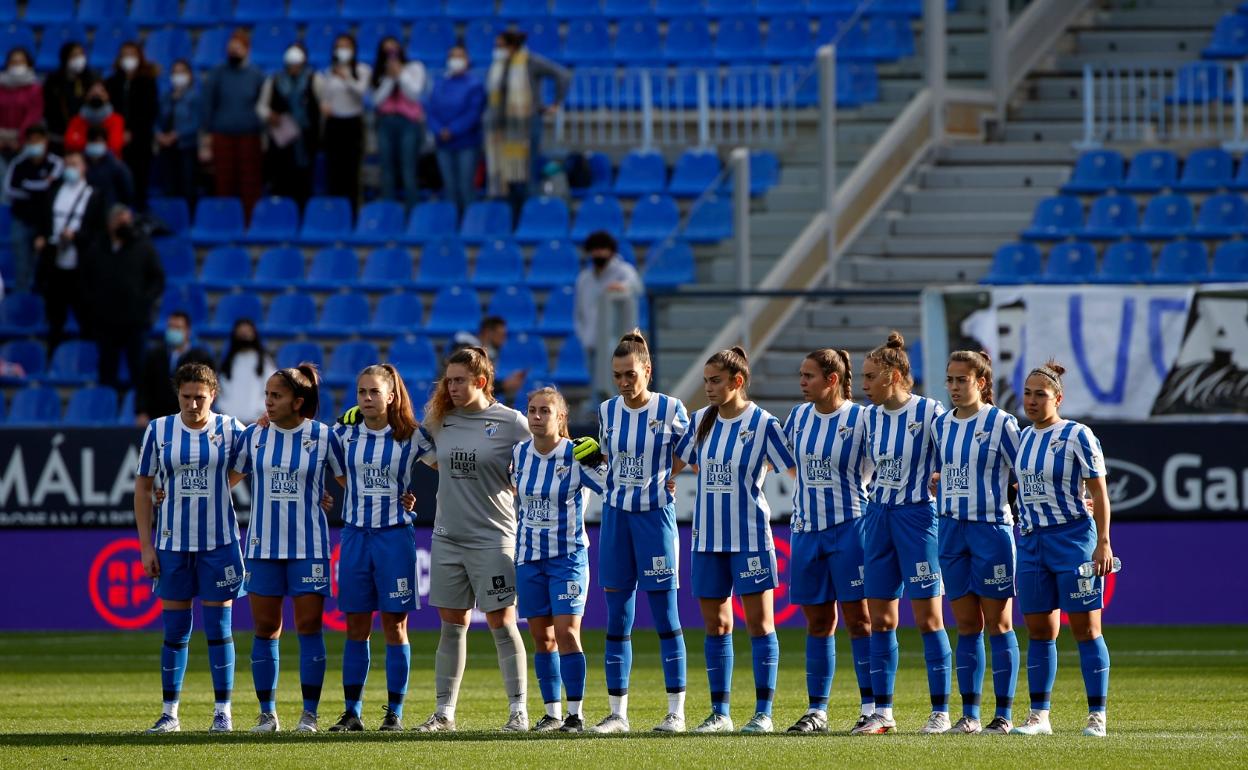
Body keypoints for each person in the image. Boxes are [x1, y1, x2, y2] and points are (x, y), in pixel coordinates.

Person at [674, 346, 796, 734]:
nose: (708, 388)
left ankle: (763, 713)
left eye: (715, 381)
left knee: (760, 626)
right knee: (717, 626)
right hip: (707, 538)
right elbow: (679, 462)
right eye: (705, 381)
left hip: (750, 538)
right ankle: (720, 713)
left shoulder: (763, 423)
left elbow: (795, 472)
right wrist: (665, 479)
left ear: (737, 381)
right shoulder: (699, 422)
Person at [411, 347, 532, 733]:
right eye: (448, 380)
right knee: (451, 625)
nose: (452, 387)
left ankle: (518, 710)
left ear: (481, 381)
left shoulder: (512, 422)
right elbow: (409, 440)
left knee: (502, 621)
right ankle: (444, 713)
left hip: (494, 539)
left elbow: (545, 458)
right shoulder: (439, 419)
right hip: (447, 538)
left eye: (460, 380)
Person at [581, 330, 689, 733]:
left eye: (631, 374)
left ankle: (675, 712)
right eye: (618, 375)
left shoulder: (672, 408)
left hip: (655, 519)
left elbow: (690, 453)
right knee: (617, 617)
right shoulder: (608, 411)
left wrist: (667, 477)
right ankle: (617, 713)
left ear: (647, 369)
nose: (624, 382)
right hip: (615, 520)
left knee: (666, 616)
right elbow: (607, 460)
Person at [134, 363, 248, 733]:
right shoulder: (159, 430)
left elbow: (250, 465)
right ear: (177, 395)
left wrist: (220, 487)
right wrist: (146, 546)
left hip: (219, 544)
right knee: (176, 630)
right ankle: (170, 713)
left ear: (213, 395)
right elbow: (143, 488)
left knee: (219, 628)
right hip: (172, 545)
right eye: (186, 397)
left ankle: (223, 712)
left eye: (200, 397)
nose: (193, 404)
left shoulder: (231, 429)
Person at [232, 364, 343, 733]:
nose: (268, 402)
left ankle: (309, 715)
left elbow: (351, 482)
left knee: (309, 626)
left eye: (276, 396)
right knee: (266, 627)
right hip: (263, 546)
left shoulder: (324, 437)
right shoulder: (254, 436)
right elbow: (225, 481)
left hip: (308, 546)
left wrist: (400, 499)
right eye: (266, 395)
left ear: (298, 401)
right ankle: (267, 714)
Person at [852, 331, 952, 736]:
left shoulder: (930, 412)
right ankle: (883, 712)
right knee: (881, 620)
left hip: (918, 519)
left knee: (929, 619)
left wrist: (941, 474)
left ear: (893, 375)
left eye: (871, 377)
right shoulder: (868, 416)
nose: (864, 385)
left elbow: (959, 452)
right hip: (878, 517)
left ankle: (941, 711)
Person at [1010, 360, 1114, 738]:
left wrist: (1102, 542)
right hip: (1033, 541)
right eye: (1027, 393)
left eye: (1041, 394)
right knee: (1039, 630)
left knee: (1086, 629)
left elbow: (1100, 494)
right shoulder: (1021, 438)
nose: (1033, 401)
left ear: (1058, 398)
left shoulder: (1077, 435)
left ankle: (1096, 716)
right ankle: (1040, 716)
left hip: (1073, 540)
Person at [781, 349, 877, 734]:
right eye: (801, 375)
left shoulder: (861, 418)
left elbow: (881, 464)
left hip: (851, 529)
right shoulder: (799, 417)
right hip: (806, 532)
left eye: (809, 376)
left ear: (832, 379)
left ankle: (871, 707)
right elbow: (788, 463)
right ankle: (817, 710)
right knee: (818, 622)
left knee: (859, 620)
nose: (802, 382)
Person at [328, 364, 425, 732]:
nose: (366, 398)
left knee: (395, 626)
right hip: (354, 537)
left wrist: (409, 499)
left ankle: (394, 713)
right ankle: (352, 712)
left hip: (394, 538)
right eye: (361, 392)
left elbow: (444, 462)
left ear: (391, 396)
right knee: (355, 626)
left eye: (373, 392)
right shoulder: (343, 432)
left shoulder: (412, 436)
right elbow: (311, 452)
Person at [930, 350, 1022, 735]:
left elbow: (1025, 470)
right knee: (967, 625)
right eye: (950, 380)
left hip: (991, 531)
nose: (953, 387)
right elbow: (945, 470)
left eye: (961, 380)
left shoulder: (1002, 424)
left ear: (981, 383)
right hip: (951, 530)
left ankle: (1002, 715)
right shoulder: (941, 426)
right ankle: (968, 715)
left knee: (999, 624)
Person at [512, 386, 606, 732]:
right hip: (528, 557)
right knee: (542, 638)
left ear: (561, 417)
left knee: (567, 633)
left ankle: (575, 714)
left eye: (545, 411)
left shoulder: (575, 455)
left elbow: (611, 488)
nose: (536, 417)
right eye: (532, 410)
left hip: (567, 557)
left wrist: (600, 461)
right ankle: (552, 714)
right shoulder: (519, 454)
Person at [484, 30, 569, 217]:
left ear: (512, 46)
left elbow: (562, 75)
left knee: (526, 174)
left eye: (500, 46)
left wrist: (555, 103)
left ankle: (530, 217)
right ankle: (511, 218)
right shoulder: (498, 66)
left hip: (526, 124)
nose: (497, 50)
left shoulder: (531, 61)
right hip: (502, 128)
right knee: (507, 176)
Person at [81, 203, 164, 393]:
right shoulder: (97, 248)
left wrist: (144, 301)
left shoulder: (143, 247)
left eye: (128, 221)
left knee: (138, 369)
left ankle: (139, 410)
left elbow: (157, 279)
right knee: (107, 369)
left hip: (136, 321)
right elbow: (85, 281)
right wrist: (94, 304)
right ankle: (107, 409)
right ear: (110, 224)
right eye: (120, 221)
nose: (125, 225)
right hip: (106, 321)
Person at [201, 30, 265, 219]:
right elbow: (207, 106)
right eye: (231, 48)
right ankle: (224, 219)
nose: (234, 51)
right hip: (222, 135)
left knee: (250, 183)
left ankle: (249, 220)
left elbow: (262, 105)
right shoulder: (216, 74)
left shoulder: (256, 75)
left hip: (249, 136)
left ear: (247, 50)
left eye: (239, 48)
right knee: (223, 181)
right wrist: (206, 138)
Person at [35, 149, 88, 355]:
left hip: (80, 266)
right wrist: (41, 237)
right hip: (55, 262)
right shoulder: (54, 191)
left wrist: (76, 236)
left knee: (84, 315)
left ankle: (84, 358)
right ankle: (52, 355)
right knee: (55, 315)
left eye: (75, 163)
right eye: (68, 164)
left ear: (84, 167)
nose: (70, 168)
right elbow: (44, 220)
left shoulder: (92, 194)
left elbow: (95, 231)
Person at [257, 45, 321, 207]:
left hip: (305, 141)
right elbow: (261, 107)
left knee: (303, 181)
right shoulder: (274, 80)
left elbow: (322, 105)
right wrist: (269, 115)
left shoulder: (315, 79)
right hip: (281, 141)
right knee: (280, 181)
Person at [427, 44, 484, 218]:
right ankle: (451, 223)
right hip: (443, 143)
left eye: (460, 56)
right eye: (452, 56)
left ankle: (470, 223)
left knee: (465, 185)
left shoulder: (475, 85)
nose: (455, 60)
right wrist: (439, 129)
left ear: (467, 60)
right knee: (449, 186)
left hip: (466, 142)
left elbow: (473, 113)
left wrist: (452, 129)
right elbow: (430, 109)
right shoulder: (439, 83)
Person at [4, 124, 61, 294]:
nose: (34, 143)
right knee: (21, 264)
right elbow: (10, 190)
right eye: (31, 140)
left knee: (44, 265)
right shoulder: (18, 163)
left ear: (46, 141)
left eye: (38, 140)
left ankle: (42, 306)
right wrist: (40, 188)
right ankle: (21, 301)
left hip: (46, 223)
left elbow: (53, 189)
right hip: (21, 219)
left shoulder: (55, 162)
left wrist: (28, 185)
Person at [370, 36, 426, 209]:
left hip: (408, 122)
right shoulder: (379, 72)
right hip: (385, 122)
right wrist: (389, 78)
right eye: (387, 52)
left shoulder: (414, 68)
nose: (391, 55)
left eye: (394, 50)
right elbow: (377, 101)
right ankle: (389, 211)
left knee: (408, 169)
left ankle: (412, 212)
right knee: (387, 170)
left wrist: (400, 74)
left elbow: (414, 95)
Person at [136, 310, 215, 425]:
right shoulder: (154, 356)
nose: (173, 331)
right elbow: (143, 385)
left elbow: (207, 388)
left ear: (188, 331)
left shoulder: (200, 358)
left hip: (189, 418)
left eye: (178, 328)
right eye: (170, 327)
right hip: (157, 418)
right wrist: (141, 411)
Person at [574, 231, 643, 364]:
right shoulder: (584, 279)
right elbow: (579, 313)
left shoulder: (623, 271)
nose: (599, 253)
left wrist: (622, 286)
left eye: (602, 249)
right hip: (592, 344)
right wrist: (584, 338)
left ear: (611, 251)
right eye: (595, 250)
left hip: (618, 345)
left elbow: (636, 285)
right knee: (597, 383)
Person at [105, 41, 159, 210]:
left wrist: (133, 132)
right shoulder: (111, 82)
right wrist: (119, 132)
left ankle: (140, 215)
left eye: (132, 54)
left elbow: (149, 112)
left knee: (139, 181)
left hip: (141, 140)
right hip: (116, 140)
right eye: (125, 55)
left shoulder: (147, 82)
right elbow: (110, 111)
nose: (129, 59)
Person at [319, 34, 370, 212]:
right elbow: (325, 96)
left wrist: (346, 77)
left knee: (351, 173)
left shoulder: (362, 70)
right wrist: (325, 105)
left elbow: (361, 92)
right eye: (339, 46)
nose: (343, 50)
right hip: (334, 125)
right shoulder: (328, 72)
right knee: (334, 171)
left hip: (353, 124)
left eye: (346, 46)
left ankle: (353, 212)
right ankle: (334, 213)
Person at [156, 60, 201, 203]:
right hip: (166, 147)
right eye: (175, 72)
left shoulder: (195, 97)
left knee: (187, 187)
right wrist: (158, 134)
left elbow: (196, 122)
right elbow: (156, 119)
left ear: (190, 75)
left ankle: (187, 219)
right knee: (169, 187)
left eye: (182, 72)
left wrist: (177, 134)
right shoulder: (165, 97)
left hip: (186, 147)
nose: (178, 75)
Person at [42, 42, 99, 154]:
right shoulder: (54, 81)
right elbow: (49, 109)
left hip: (86, 133)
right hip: (60, 134)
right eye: (74, 55)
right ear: (66, 58)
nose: (78, 59)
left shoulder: (92, 79)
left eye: (81, 54)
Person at [451, 316, 525, 399]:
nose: (503, 341)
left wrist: (505, 384)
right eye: (500, 335)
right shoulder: (465, 347)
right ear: (487, 332)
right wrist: (503, 385)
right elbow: (469, 382)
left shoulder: (490, 353)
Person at [216, 319, 274, 423]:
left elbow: (271, 389)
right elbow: (221, 394)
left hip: (258, 421)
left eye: (247, 332)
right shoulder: (228, 363)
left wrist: (259, 413)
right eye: (241, 333)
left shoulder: (264, 362)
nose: (244, 336)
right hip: (231, 422)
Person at [0, 47, 42, 164]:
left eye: (21, 62)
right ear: (7, 64)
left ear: (28, 64)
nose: (17, 65)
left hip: (23, 142)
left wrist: (20, 140)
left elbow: (33, 116)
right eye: (14, 62)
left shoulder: (35, 89)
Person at [64, 81, 125, 156]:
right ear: (86, 95)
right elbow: (69, 142)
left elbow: (115, 146)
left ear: (107, 95)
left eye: (101, 91)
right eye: (92, 91)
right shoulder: (76, 120)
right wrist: (97, 145)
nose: (97, 94)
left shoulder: (116, 119)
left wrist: (83, 143)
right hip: (82, 162)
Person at [83, 123, 134, 210]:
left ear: (105, 143)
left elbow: (128, 192)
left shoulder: (117, 166)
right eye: (92, 141)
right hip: (85, 209)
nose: (95, 144)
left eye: (98, 141)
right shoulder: (81, 163)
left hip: (108, 211)